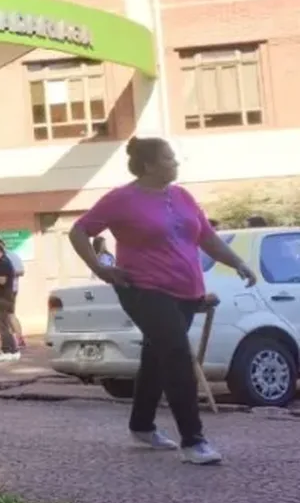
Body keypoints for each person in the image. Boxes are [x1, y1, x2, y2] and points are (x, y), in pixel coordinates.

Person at [68, 136, 256, 466]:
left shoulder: (182, 195)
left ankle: (141, 425)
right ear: (149, 165)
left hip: (186, 291)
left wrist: (238, 262)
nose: (176, 163)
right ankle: (193, 440)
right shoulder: (121, 199)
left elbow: (207, 238)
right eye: (169, 158)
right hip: (142, 288)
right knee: (176, 353)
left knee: (157, 355)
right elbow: (79, 231)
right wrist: (100, 268)